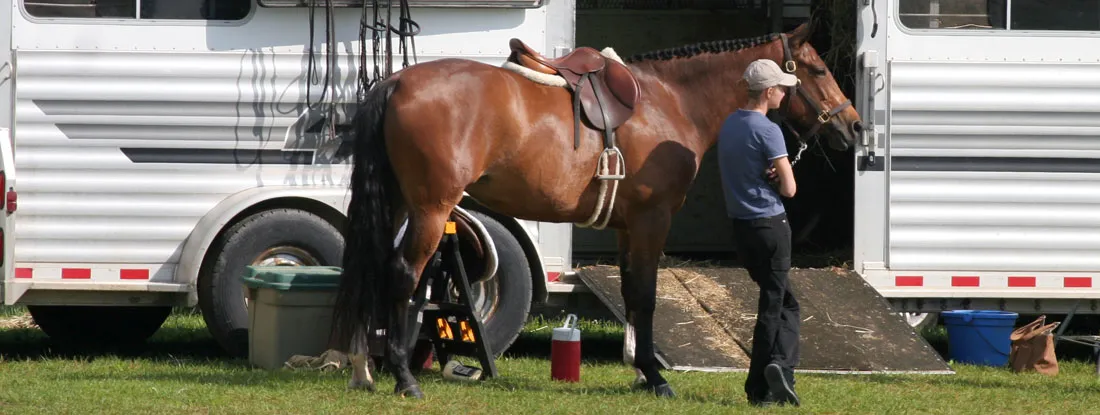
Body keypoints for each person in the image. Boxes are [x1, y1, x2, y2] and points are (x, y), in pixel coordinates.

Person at [716, 58, 801, 407]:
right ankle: (765, 382)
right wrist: (777, 175)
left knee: (781, 301)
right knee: (776, 306)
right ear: (768, 92)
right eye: (781, 87)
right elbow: (790, 189)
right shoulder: (769, 130)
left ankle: (780, 377)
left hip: (741, 228)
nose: (784, 92)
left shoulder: (729, 125)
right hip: (772, 226)